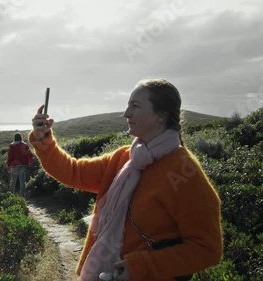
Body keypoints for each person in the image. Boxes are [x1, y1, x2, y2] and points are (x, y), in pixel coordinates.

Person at [29, 79, 223, 281]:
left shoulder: (185, 173)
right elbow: (74, 172)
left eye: (135, 106)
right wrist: (44, 141)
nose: (126, 113)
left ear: (161, 116)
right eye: (128, 105)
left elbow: (206, 248)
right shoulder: (124, 158)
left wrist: (141, 266)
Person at [7, 132, 34, 197]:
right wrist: (30, 162)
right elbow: (30, 154)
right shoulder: (25, 145)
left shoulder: (12, 145)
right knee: (22, 180)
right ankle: (22, 194)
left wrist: (8, 165)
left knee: (13, 180)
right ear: (21, 137)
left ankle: (11, 194)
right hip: (24, 164)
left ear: (15, 138)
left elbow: (10, 156)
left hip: (14, 165)